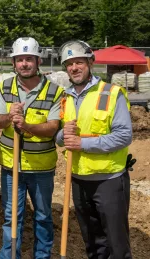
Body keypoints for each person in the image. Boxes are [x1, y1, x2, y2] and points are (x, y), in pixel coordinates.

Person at [56, 40, 133, 259]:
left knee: (116, 245)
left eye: (79, 62)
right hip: (79, 179)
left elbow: (124, 135)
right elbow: (61, 138)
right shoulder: (66, 97)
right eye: (69, 64)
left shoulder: (111, 93)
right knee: (93, 243)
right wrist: (64, 134)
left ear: (91, 62)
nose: (74, 68)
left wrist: (83, 144)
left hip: (108, 180)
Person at [0, 37, 64, 259]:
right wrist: (9, 116)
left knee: (43, 215)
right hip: (10, 166)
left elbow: (53, 127)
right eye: (20, 59)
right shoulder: (4, 87)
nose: (24, 64)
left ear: (38, 61)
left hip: (41, 167)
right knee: (12, 216)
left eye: (29, 59)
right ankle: (10, 256)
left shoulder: (54, 91)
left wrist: (27, 125)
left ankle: (42, 256)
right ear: (14, 63)